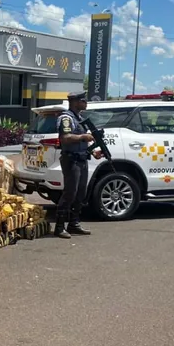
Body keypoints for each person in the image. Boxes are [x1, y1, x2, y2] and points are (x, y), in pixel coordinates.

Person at [54, 91, 102, 239]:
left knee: (81, 194)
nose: (86, 102)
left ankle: (74, 224)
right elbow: (65, 138)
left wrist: (93, 152)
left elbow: (83, 142)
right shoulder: (66, 118)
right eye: (83, 100)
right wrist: (82, 136)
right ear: (75, 102)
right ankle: (59, 226)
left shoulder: (79, 118)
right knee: (70, 193)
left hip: (81, 159)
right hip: (71, 160)